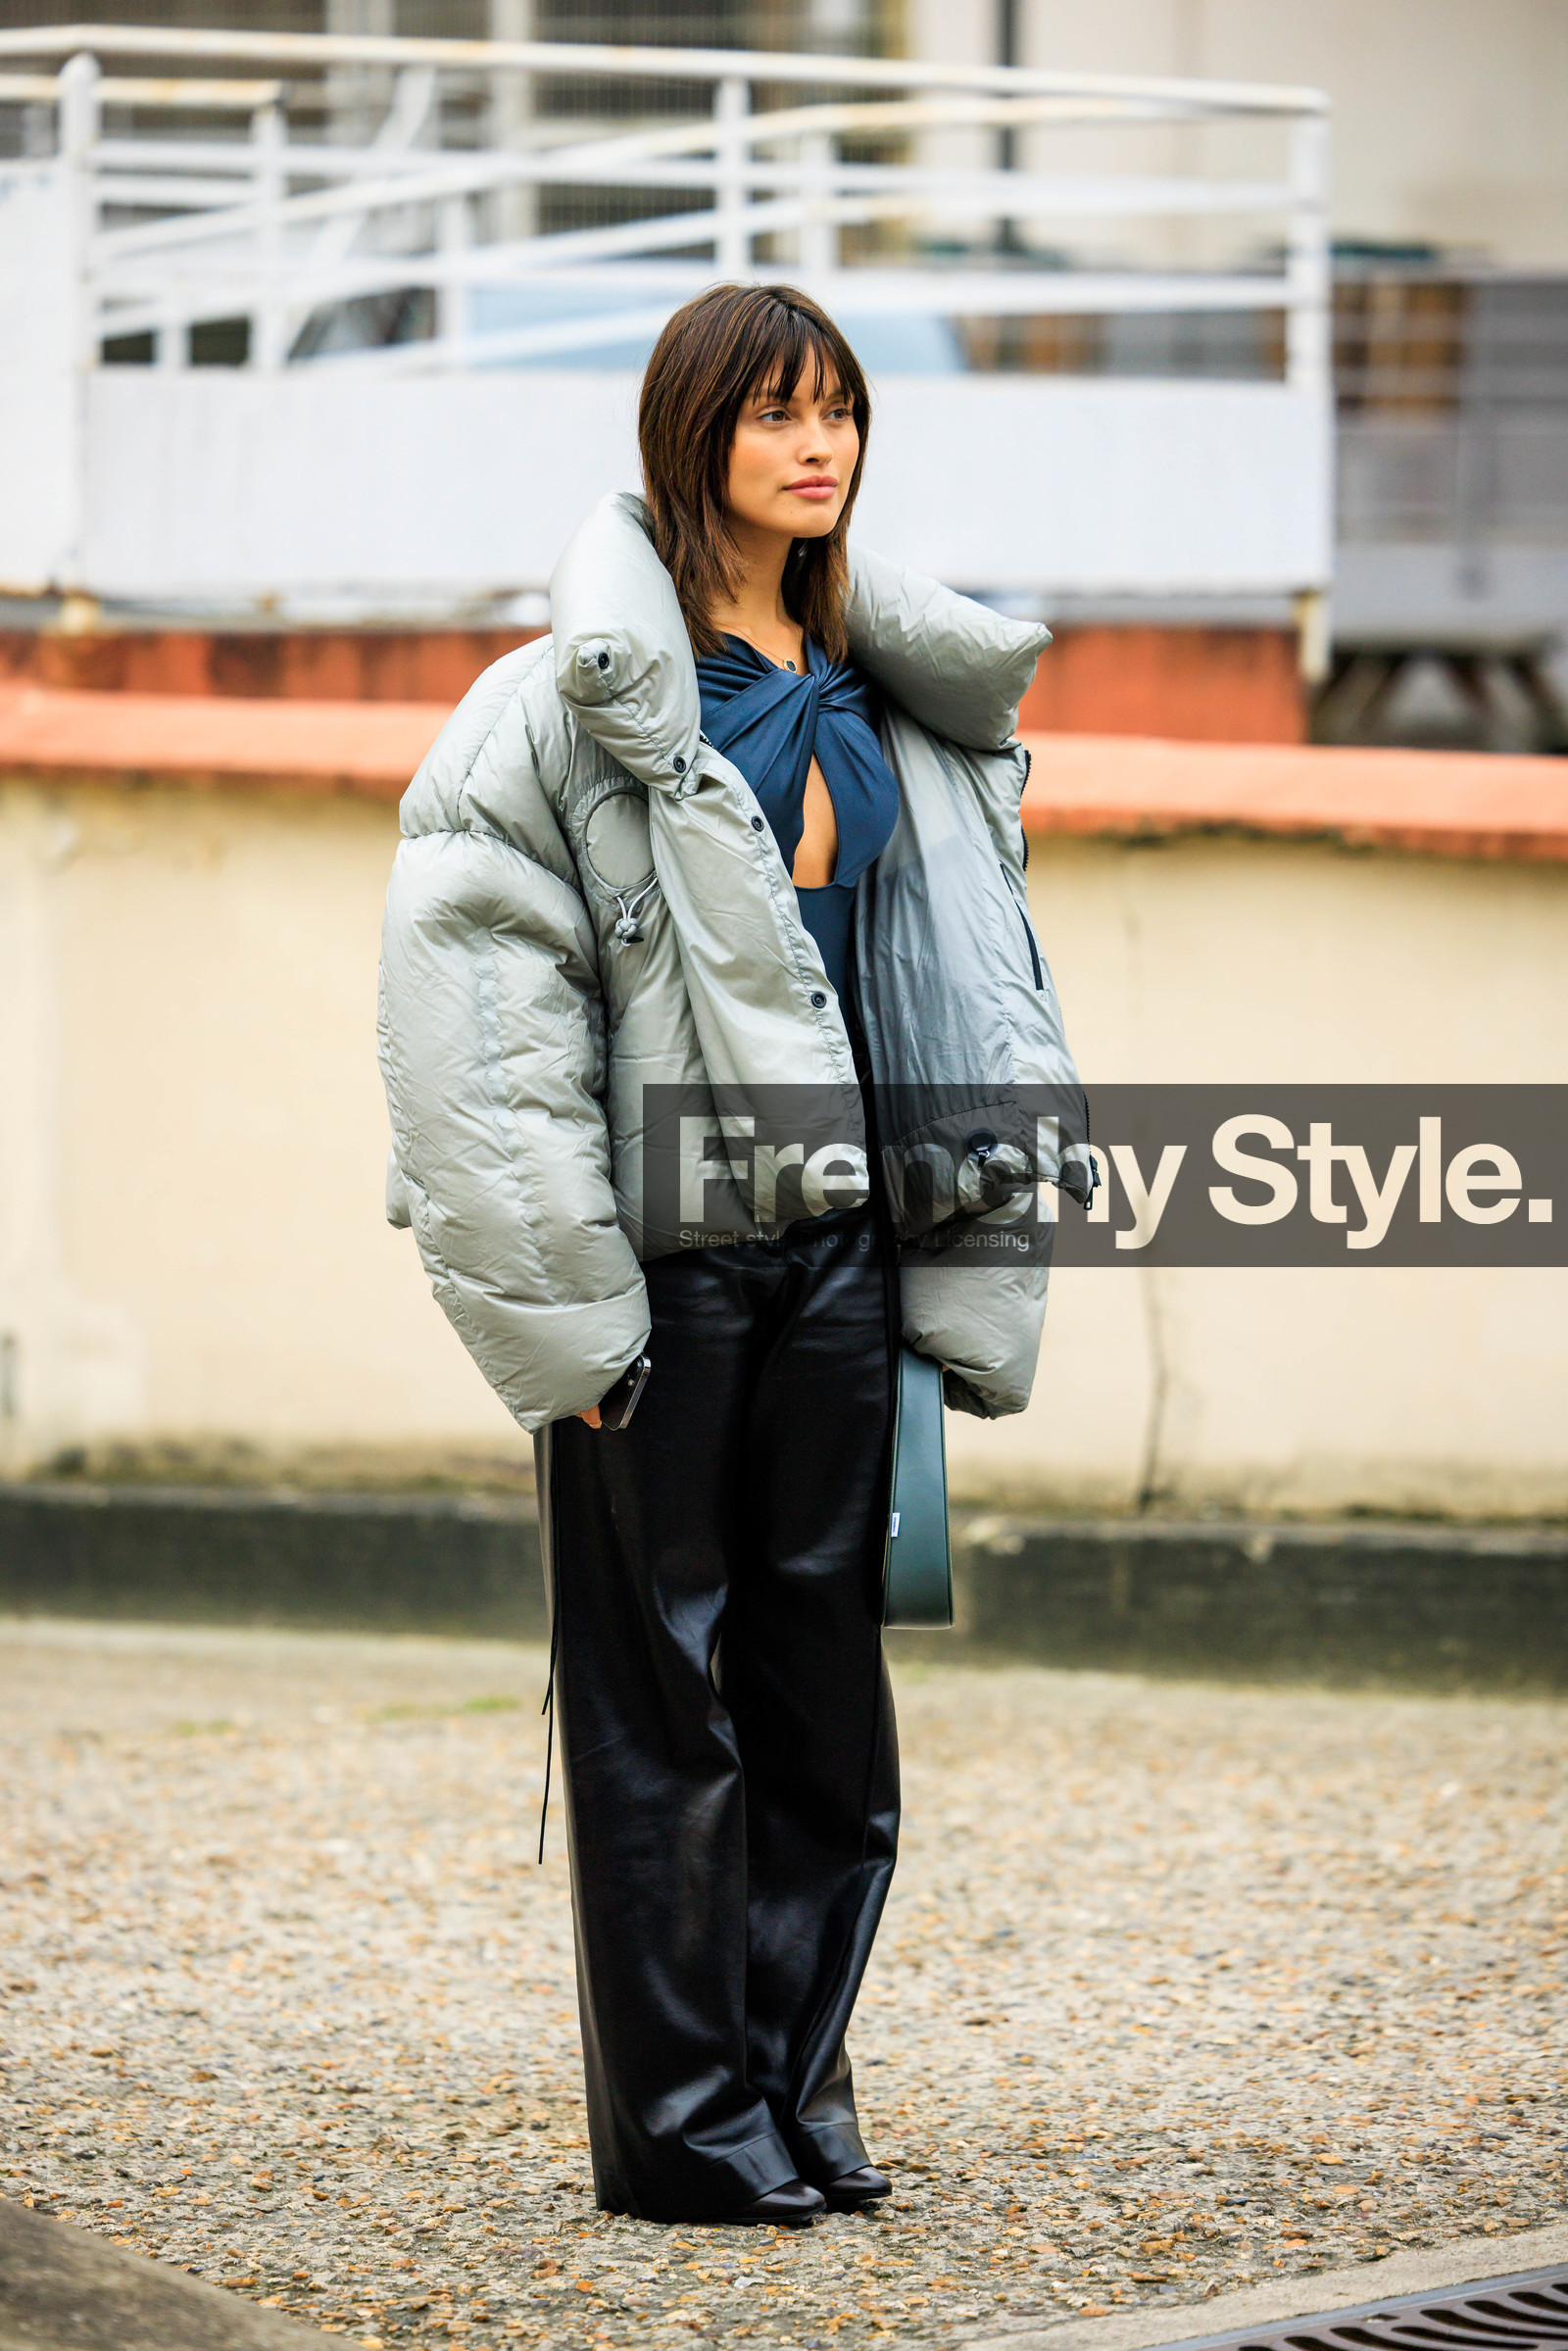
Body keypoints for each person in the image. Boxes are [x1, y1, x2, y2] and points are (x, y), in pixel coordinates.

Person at [378, 283, 1089, 2227]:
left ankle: (794, 2086)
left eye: (837, 409)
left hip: (841, 1251)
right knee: (653, 1697)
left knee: (817, 1694)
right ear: (688, 434)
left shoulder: (899, 700)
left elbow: (960, 980)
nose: (814, 443)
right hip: (661, 1257)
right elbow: (480, 1036)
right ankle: (686, 2129)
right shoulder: (563, 702)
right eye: (772, 410)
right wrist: (570, 1305)